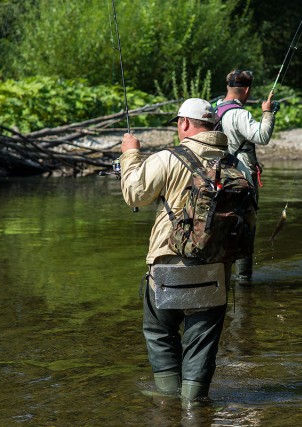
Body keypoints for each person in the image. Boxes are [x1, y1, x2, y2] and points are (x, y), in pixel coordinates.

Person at [118, 98, 251, 403]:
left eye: (179, 122)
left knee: (160, 334)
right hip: (216, 271)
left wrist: (130, 154)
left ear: (185, 123)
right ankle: (194, 405)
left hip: (169, 266)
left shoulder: (167, 157)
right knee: (202, 342)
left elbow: (135, 195)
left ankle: (167, 402)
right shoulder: (236, 162)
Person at [215, 69, 276, 284]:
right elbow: (261, 136)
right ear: (247, 90)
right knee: (246, 226)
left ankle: (220, 278)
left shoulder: (215, 108)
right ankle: (243, 281)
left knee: (222, 224)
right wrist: (268, 113)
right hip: (242, 177)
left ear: (228, 86)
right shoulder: (239, 114)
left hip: (219, 176)